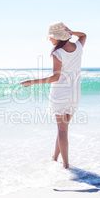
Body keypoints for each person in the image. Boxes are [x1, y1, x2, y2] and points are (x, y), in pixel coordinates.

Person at [20, 21, 86, 169]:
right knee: (63, 128)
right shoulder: (78, 47)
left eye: (51, 37)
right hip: (74, 93)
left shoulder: (57, 53)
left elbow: (56, 78)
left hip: (61, 93)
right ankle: (55, 158)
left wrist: (32, 82)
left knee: (62, 129)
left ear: (58, 37)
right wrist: (71, 32)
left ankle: (66, 166)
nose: (50, 39)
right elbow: (83, 35)